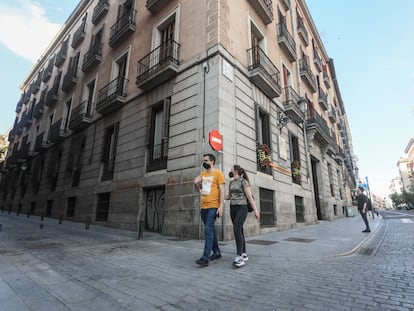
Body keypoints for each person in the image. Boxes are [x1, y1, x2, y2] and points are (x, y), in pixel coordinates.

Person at [225, 165, 260, 267]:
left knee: (236, 229)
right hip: (233, 207)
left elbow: (249, 197)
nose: (230, 170)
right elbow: (229, 196)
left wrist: (256, 211)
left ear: (235, 171)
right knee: (239, 230)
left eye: (231, 168)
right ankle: (244, 253)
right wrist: (220, 196)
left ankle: (239, 257)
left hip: (242, 207)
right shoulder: (231, 182)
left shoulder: (243, 182)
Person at [194, 154, 225, 267]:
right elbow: (200, 189)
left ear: (212, 161)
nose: (204, 162)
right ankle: (217, 252)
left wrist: (221, 206)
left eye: (206, 160)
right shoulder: (203, 174)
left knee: (208, 229)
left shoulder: (218, 173)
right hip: (204, 207)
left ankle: (205, 257)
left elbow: (222, 190)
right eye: (203, 161)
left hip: (213, 206)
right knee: (210, 230)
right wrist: (196, 183)